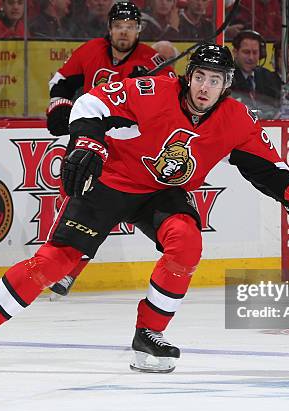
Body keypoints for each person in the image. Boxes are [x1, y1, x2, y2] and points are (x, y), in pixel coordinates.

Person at [0, 43, 289, 374]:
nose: (205, 88)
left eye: (215, 81)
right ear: (188, 76)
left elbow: (268, 168)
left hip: (162, 193)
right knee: (55, 262)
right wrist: (86, 142)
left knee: (187, 243)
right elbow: (90, 102)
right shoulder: (152, 91)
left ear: (226, 85)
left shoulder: (236, 119)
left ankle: (149, 333)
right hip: (110, 183)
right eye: (200, 77)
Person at [46, 1, 175, 297]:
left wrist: (149, 85)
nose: (124, 32)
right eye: (119, 26)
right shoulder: (91, 50)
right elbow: (62, 82)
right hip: (90, 137)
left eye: (130, 27)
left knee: (101, 209)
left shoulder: (152, 60)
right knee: (73, 198)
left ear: (139, 29)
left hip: (128, 150)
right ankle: (59, 261)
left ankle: (69, 271)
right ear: (109, 28)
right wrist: (59, 106)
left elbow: (171, 103)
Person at [230, 29, 278, 118]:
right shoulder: (226, 78)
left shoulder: (268, 77)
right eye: (246, 52)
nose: (251, 57)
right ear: (235, 53)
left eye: (255, 52)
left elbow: (276, 107)